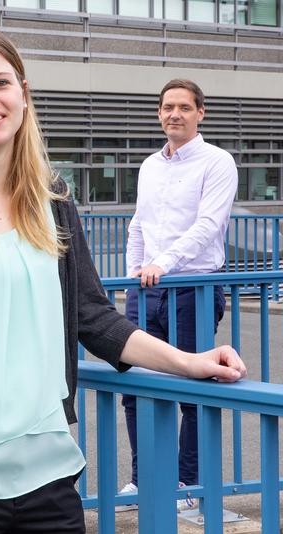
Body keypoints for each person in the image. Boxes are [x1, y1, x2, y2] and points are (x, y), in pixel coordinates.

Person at [0, 27, 246, 534]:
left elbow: (93, 316)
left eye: (1, 82)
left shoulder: (54, 203)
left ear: (23, 94)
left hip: (51, 481)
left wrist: (188, 362)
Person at [119, 79, 238, 511]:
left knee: (193, 385)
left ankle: (189, 484)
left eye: (184, 107)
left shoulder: (217, 162)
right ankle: (144, 480)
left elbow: (208, 225)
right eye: (168, 107)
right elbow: (139, 223)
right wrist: (135, 270)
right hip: (146, 289)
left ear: (200, 113)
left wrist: (161, 265)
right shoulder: (150, 165)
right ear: (159, 113)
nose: (175, 114)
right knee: (135, 387)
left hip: (193, 287)